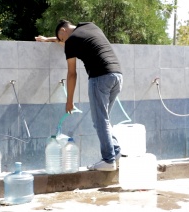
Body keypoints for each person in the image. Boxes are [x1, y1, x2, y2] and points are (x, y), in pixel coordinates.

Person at [35, 20, 123, 171]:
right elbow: (65, 41)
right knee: (104, 120)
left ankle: (108, 160)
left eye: (61, 39)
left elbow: (71, 74)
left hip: (100, 77)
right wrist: (48, 39)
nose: (63, 42)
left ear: (63, 30)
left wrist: (69, 101)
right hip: (117, 76)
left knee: (100, 121)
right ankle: (116, 153)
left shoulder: (72, 42)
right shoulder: (90, 27)